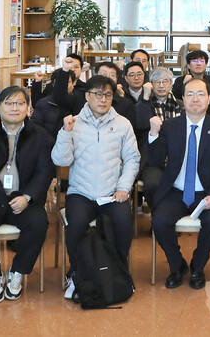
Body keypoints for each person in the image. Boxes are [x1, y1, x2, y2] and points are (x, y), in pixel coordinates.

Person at [51, 75, 140, 300]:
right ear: (87, 96)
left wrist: (123, 188)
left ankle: (119, 272)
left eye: (108, 95)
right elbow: (61, 160)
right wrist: (66, 133)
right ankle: (76, 273)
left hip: (112, 193)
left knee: (123, 223)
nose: (103, 99)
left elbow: (132, 159)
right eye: (98, 94)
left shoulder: (122, 124)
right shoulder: (74, 123)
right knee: (76, 225)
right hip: (81, 193)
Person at [0, 86, 54, 303]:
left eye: (20, 103)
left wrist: (28, 197)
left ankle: (17, 272)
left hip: (21, 197)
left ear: (28, 108)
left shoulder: (40, 135)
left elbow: (45, 172)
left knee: (39, 224)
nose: (15, 108)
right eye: (9, 103)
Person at [146, 77, 210, 290]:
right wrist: (154, 134)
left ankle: (197, 266)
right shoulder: (170, 126)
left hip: (206, 193)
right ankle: (177, 266)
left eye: (201, 94)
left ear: (209, 99)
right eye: (190, 94)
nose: (195, 99)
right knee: (159, 222)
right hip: (175, 191)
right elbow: (155, 161)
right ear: (182, 99)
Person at [134, 67, 183, 204]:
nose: (161, 86)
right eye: (157, 82)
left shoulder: (181, 105)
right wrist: (145, 97)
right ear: (151, 85)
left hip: (177, 157)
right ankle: (157, 212)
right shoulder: (145, 104)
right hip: (152, 160)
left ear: (171, 84)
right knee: (153, 184)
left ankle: (174, 212)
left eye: (165, 81)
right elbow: (141, 124)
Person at [171, 50, 210, 119]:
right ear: (188, 66)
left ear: (205, 65)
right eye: (194, 61)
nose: (198, 64)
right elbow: (174, 100)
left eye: (201, 61)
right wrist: (183, 84)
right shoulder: (180, 80)